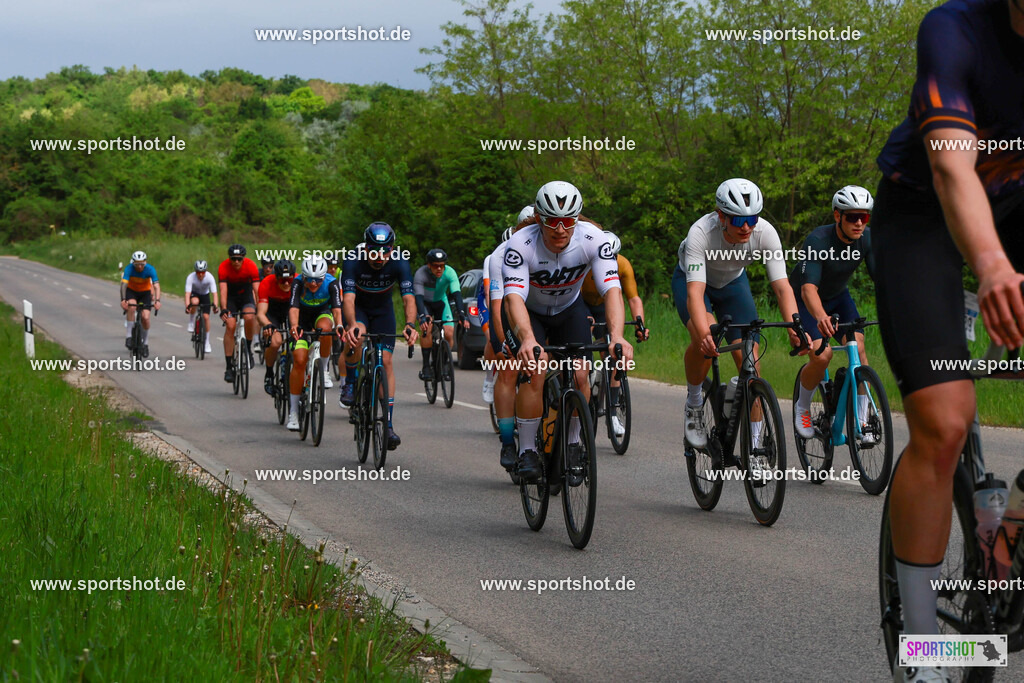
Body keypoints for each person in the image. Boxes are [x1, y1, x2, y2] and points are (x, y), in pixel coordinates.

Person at [872, 2, 1024, 681]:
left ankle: (1006, 542)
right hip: (924, 215)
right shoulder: (954, 30)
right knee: (945, 419)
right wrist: (991, 267)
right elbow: (952, 169)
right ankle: (926, 647)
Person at [502, 181, 633, 483]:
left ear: (577, 219)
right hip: (528, 311)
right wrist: (528, 339)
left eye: (568, 221)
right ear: (538, 218)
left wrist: (617, 335)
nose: (560, 229)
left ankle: (573, 443)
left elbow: (612, 291)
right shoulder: (520, 245)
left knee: (581, 373)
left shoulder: (593, 239)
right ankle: (526, 451)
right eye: (552, 221)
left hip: (569, 310)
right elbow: (514, 300)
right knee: (535, 368)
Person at [673, 178, 805, 450]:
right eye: (737, 220)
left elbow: (782, 288)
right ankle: (694, 402)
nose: (746, 227)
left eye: (752, 218)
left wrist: (796, 326)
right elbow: (696, 295)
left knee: (751, 366)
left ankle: (755, 446)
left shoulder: (765, 233)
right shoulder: (701, 232)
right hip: (696, 283)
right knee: (706, 341)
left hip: (733, 284)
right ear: (721, 216)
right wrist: (704, 333)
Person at [790, 186, 876, 441]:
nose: (859, 222)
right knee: (822, 354)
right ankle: (802, 407)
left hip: (838, 297)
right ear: (838, 216)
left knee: (858, 347)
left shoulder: (867, 239)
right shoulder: (818, 240)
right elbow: (808, 289)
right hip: (807, 300)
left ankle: (863, 420)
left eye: (864, 216)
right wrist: (820, 318)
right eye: (852, 217)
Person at [339, 223, 418, 450]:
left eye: (385, 251)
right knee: (358, 335)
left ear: (392, 249)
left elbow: (408, 299)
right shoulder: (353, 260)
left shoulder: (400, 262)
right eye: (374, 250)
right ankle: (351, 382)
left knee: (386, 361)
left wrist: (411, 324)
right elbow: (349, 299)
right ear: (366, 247)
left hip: (383, 312)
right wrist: (352, 324)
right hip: (359, 311)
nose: (379, 256)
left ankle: (389, 424)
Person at [580, 230, 649, 437]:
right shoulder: (585, 263)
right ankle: (587, 373)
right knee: (584, 338)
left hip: (605, 306)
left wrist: (640, 324)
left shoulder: (624, 265)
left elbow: (633, 299)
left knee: (615, 356)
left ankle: (611, 414)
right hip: (582, 304)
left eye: (613, 257)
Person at [484, 205, 535, 471]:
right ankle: (507, 442)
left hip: (536, 314)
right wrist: (503, 344)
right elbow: (497, 306)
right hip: (507, 313)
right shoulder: (501, 255)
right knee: (508, 370)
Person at [285, 256, 342, 430]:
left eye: (318, 280)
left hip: (321, 313)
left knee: (326, 329)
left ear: (324, 277)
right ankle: (293, 413)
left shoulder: (332, 284)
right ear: (304, 276)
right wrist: (294, 325)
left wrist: (339, 325)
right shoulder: (297, 283)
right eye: (310, 279)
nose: (314, 283)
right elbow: (293, 308)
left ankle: (323, 369)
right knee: (300, 360)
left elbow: (337, 309)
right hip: (301, 318)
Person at [414, 248, 468, 382]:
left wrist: (462, 314)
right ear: (429, 265)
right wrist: (421, 316)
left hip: (440, 303)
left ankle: (444, 363)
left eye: (442, 265)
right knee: (427, 329)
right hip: (425, 304)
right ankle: (426, 366)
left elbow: (456, 294)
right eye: (435, 266)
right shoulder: (421, 274)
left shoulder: (450, 272)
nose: (439, 269)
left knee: (449, 332)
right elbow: (419, 298)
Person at [217, 244, 260, 384]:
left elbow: (257, 290)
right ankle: (229, 367)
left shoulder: (251, 266)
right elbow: (223, 291)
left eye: (239, 259)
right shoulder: (223, 267)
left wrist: (260, 307)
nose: (236, 261)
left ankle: (248, 348)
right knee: (230, 325)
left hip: (246, 296)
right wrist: (223, 308)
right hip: (231, 298)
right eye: (233, 259)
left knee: (249, 316)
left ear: (243, 258)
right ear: (229, 258)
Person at [256, 259, 295, 396]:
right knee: (275, 342)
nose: (285, 283)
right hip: (272, 312)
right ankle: (269, 373)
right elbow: (260, 313)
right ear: (276, 276)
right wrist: (267, 324)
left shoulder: (299, 282)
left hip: (291, 310)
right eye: (282, 280)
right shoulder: (266, 283)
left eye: (289, 280)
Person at [120, 250, 161, 356]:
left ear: (145, 262)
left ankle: (145, 344)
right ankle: (129, 336)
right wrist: (123, 300)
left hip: (145, 293)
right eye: (137, 264)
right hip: (132, 292)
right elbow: (123, 285)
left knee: (145, 317)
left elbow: (156, 286)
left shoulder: (150, 269)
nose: (139, 267)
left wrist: (157, 300)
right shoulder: (129, 269)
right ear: (133, 263)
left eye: (142, 264)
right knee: (132, 307)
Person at [185, 260, 218, 355]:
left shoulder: (210, 277)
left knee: (206, 317)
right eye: (198, 272)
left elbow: (214, 294)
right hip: (194, 294)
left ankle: (207, 342)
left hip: (205, 295)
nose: (200, 275)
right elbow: (187, 294)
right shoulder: (191, 277)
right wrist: (187, 306)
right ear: (195, 272)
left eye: (202, 272)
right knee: (195, 302)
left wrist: (215, 305)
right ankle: (191, 322)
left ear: (205, 271)